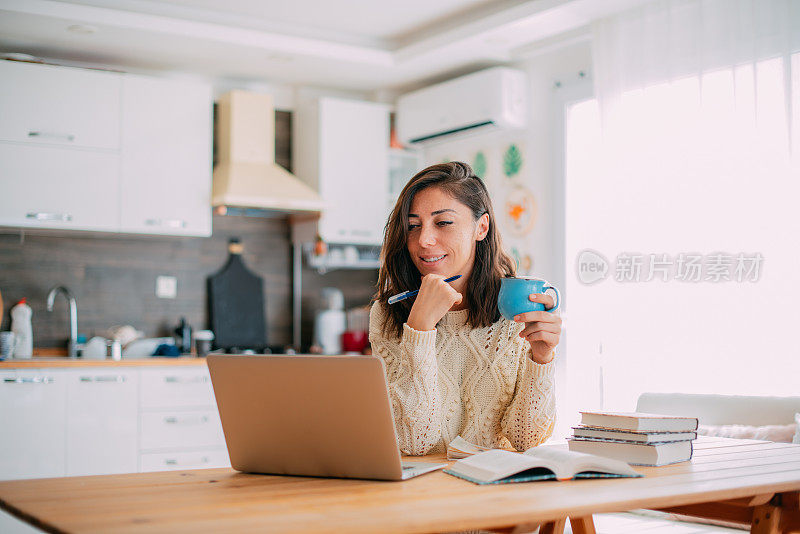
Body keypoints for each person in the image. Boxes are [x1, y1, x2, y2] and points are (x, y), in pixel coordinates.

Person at [369, 162, 562, 456]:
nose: (424, 240)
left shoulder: (514, 313)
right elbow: (412, 442)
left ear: (481, 227)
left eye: (443, 223)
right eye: (413, 226)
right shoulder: (387, 315)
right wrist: (419, 329)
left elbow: (526, 439)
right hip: (423, 497)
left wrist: (542, 357)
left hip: (497, 493)